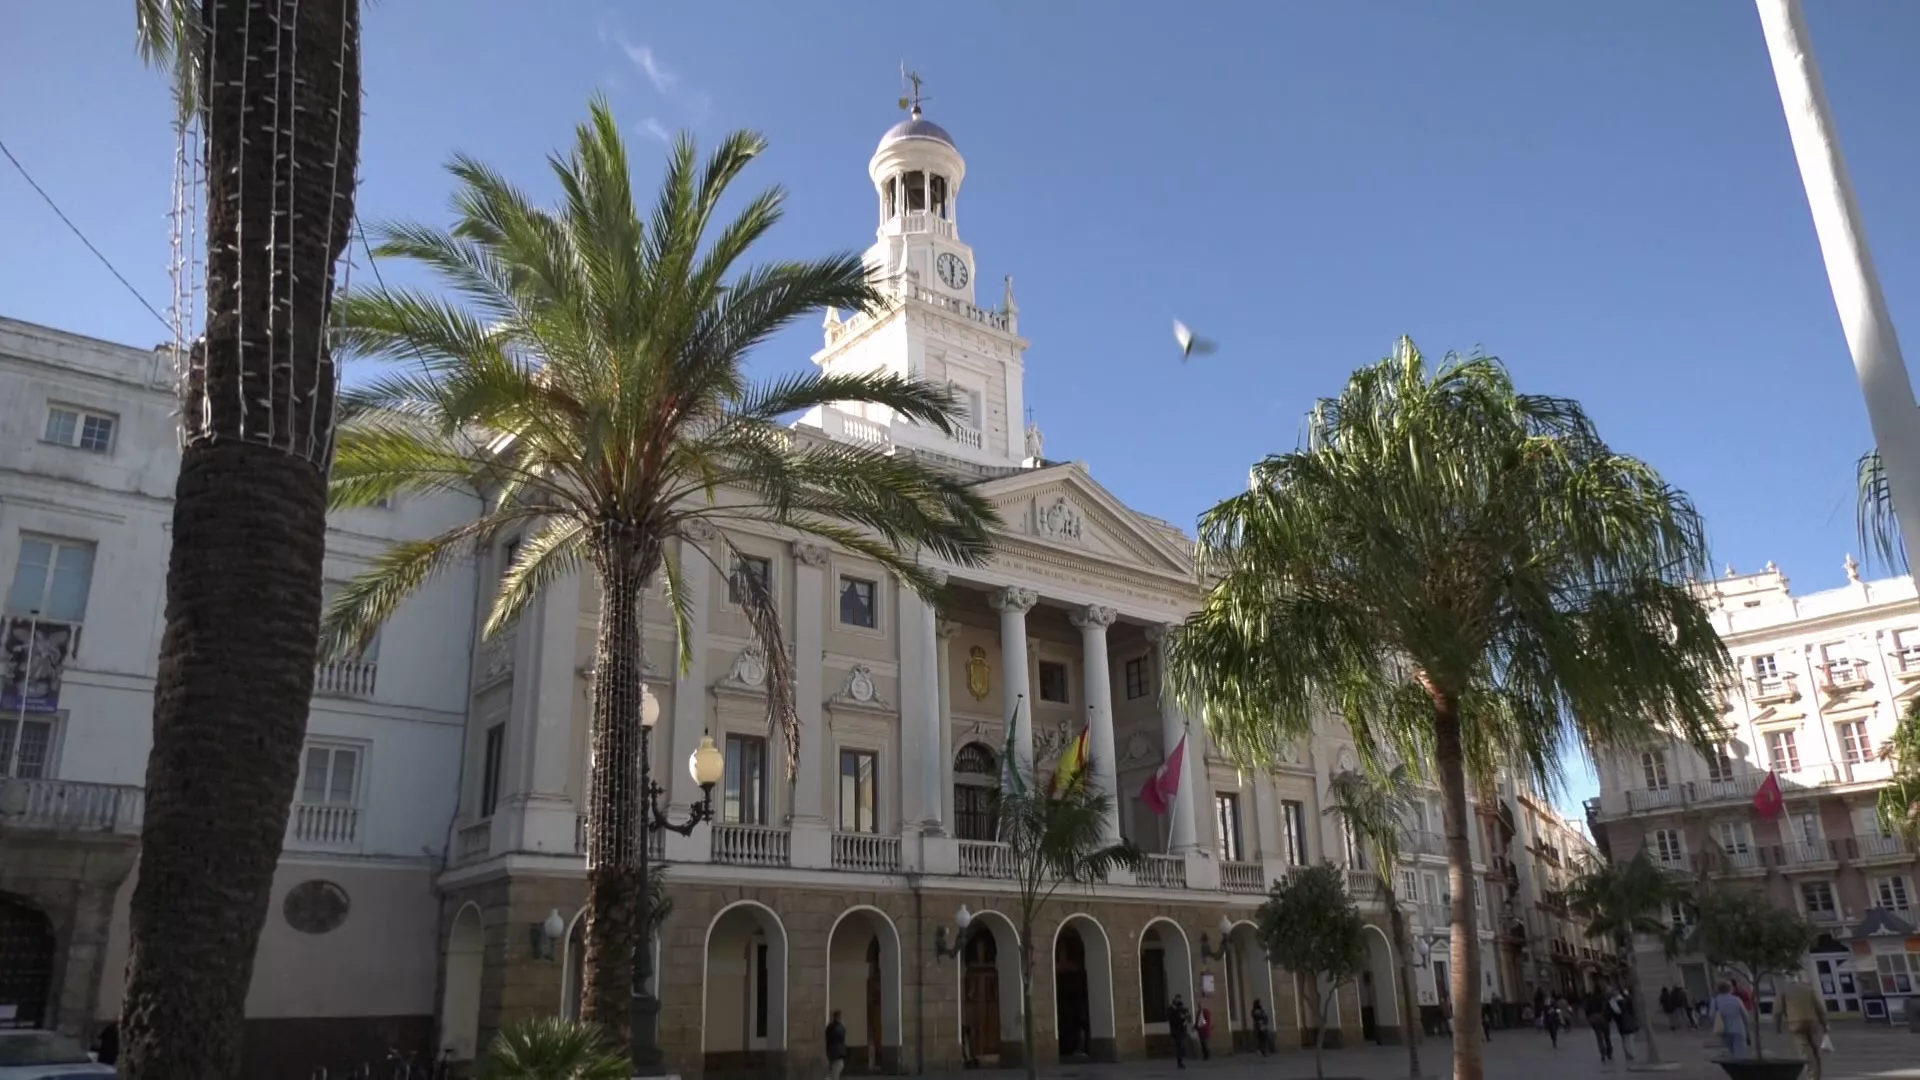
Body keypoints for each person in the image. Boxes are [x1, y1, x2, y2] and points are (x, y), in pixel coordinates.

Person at [1777, 973, 1829, 1080]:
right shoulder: (1808, 989)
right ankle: (1817, 1075)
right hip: (1812, 1022)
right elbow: (1820, 1008)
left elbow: (1778, 1011)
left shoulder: (1784, 991)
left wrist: (1778, 1027)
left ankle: (1812, 1076)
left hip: (1795, 1024)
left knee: (1805, 1050)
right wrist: (1824, 1024)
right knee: (1816, 1050)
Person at [1711, 980, 1751, 1060]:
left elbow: (1711, 1015)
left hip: (1724, 1031)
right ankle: (1740, 1070)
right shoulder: (1736, 1000)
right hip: (1739, 1029)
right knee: (1740, 1054)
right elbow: (1745, 1015)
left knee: (1730, 1053)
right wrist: (1747, 1028)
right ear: (1730, 989)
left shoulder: (1715, 1001)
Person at [1609, 984, 1639, 1063]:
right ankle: (1629, 1053)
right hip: (1624, 1021)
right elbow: (1623, 1010)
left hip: (1620, 1022)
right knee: (1627, 1038)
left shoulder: (1612, 1001)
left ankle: (1628, 1053)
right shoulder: (1621, 1000)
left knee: (1625, 1038)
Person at [1583, 986, 1612, 1062]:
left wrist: (1589, 1018)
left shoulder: (1590, 999)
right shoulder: (1604, 998)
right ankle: (1609, 1053)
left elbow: (1587, 1010)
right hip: (1603, 1019)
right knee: (1607, 1037)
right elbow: (1608, 1008)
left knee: (1599, 1037)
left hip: (1594, 1019)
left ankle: (1602, 1053)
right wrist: (1609, 1018)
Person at [1168, 993, 1191, 1069]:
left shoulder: (1182, 1008)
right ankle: (1180, 1062)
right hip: (1176, 1031)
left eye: (1180, 999)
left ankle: (1180, 1061)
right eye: (1178, 998)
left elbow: (1188, 1018)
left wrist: (1186, 1017)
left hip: (1181, 1030)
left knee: (1180, 1046)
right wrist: (1181, 1018)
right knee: (1179, 1046)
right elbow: (1172, 1019)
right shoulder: (1171, 1009)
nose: (1179, 1000)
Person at [825, 1010, 848, 1080]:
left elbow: (827, 1038)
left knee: (833, 1072)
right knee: (835, 1074)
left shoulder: (830, 1027)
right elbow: (842, 1037)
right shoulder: (839, 1027)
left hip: (832, 1053)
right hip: (838, 1054)